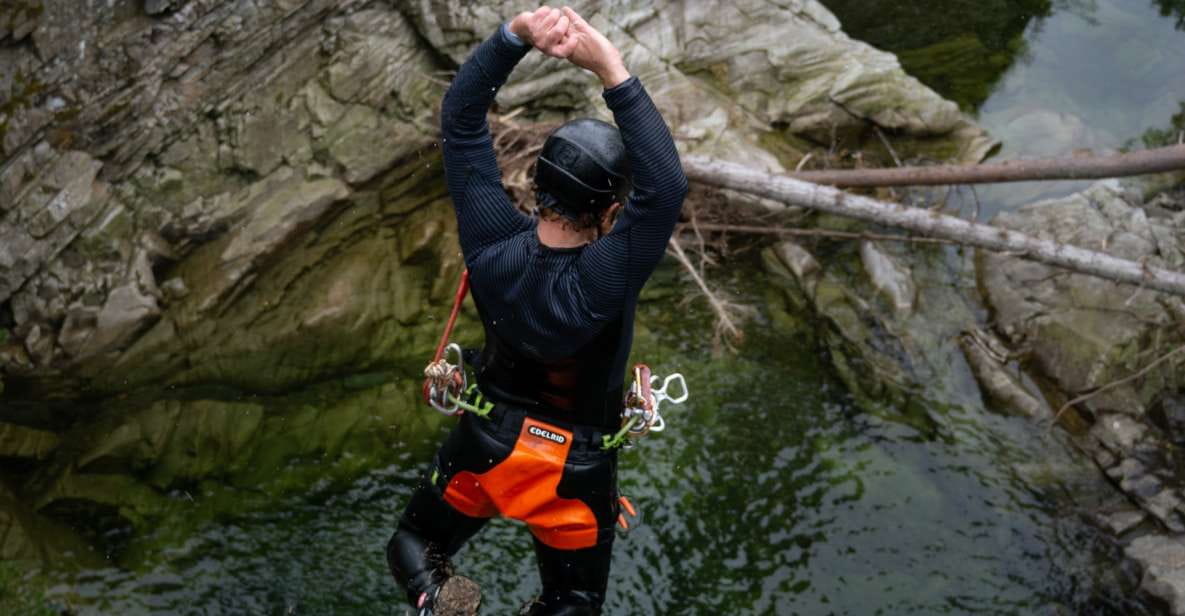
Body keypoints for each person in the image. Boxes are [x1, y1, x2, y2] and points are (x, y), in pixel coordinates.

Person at [386, 6, 687, 615]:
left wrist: (516, 34)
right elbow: (666, 189)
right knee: (572, 601)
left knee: (413, 544)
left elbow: (461, 118)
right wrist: (611, 68)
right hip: (574, 473)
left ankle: (439, 600)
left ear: (535, 181)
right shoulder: (605, 277)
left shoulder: (490, 243)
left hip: (485, 448)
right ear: (611, 213)